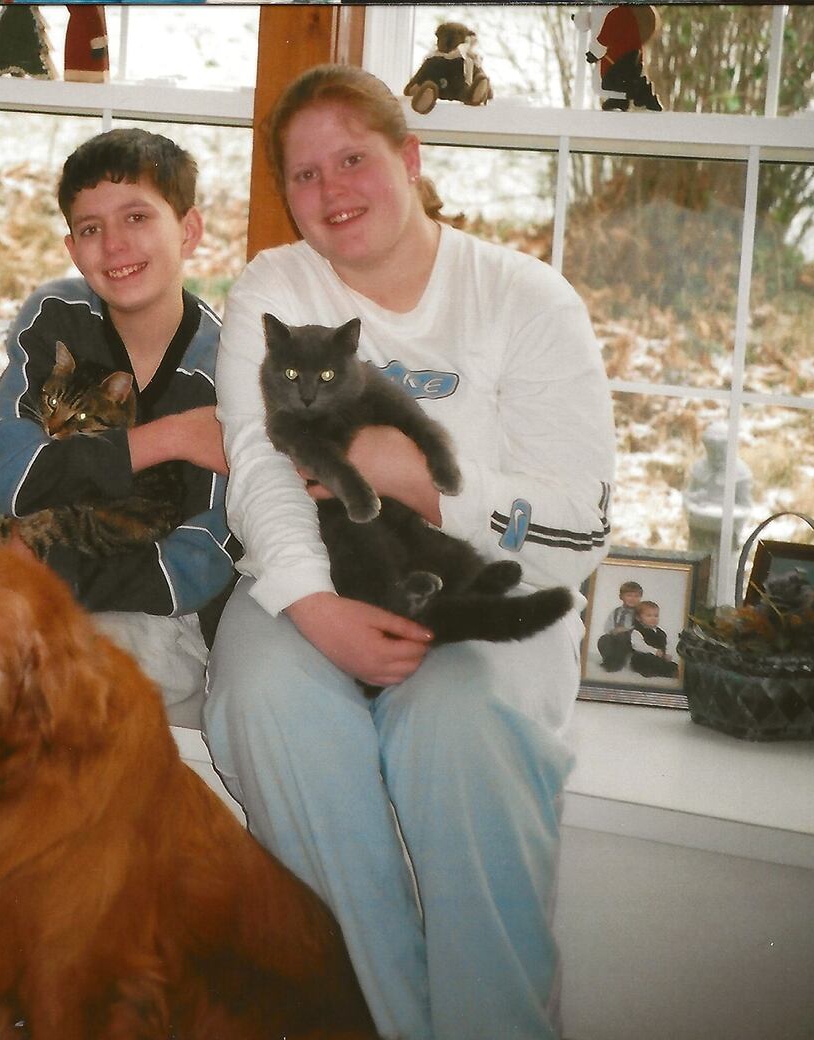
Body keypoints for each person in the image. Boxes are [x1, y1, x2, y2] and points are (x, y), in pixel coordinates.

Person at [207, 64, 615, 1040]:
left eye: (353, 158)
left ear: (411, 158)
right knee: (262, 700)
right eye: (304, 175)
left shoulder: (523, 297)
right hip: (318, 580)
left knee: (460, 725)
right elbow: (260, 466)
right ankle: (376, 1020)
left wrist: (423, 475)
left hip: (488, 588)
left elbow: (581, 526)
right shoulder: (276, 284)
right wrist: (313, 607)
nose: (331, 190)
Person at [0, 128, 237, 724]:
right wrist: (166, 439)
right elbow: (13, 479)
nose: (114, 245)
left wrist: (47, 568)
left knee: (82, 695)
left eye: (137, 217)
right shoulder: (57, 317)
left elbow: (194, 564)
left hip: (152, 616)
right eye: (91, 229)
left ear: (189, 230)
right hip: (12, 581)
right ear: (72, 247)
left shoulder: (225, 364)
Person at [596, 579, 642, 672]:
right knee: (604, 639)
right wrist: (612, 630)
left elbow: (641, 627)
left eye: (636, 596)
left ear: (640, 597)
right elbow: (608, 625)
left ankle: (618, 663)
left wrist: (626, 629)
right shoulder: (616, 611)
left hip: (631, 640)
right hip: (615, 637)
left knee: (622, 637)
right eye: (629, 595)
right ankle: (608, 660)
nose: (632, 599)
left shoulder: (640, 613)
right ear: (621, 597)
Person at [626, 600, 678, 678]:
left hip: (659, 657)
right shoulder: (637, 631)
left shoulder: (661, 633)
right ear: (638, 618)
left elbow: (667, 644)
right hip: (643, 657)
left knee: (670, 664)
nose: (653, 618)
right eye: (649, 616)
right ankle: (664, 672)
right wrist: (654, 651)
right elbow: (638, 645)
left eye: (656, 616)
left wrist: (668, 654)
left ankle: (673, 671)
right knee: (650, 660)